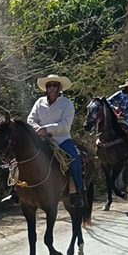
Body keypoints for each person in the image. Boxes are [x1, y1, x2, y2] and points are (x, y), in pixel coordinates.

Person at [27, 74, 85, 207]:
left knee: (74, 160)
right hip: (40, 138)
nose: (52, 88)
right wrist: (37, 128)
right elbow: (31, 119)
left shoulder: (67, 104)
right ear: (46, 88)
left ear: (60, 87)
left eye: (55, 85)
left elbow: (65, 125)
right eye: (49, 85)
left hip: (61, 139)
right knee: (19, 156)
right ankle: (15, 189)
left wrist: (47, 129)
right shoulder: (39, 102)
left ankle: (76, 192)